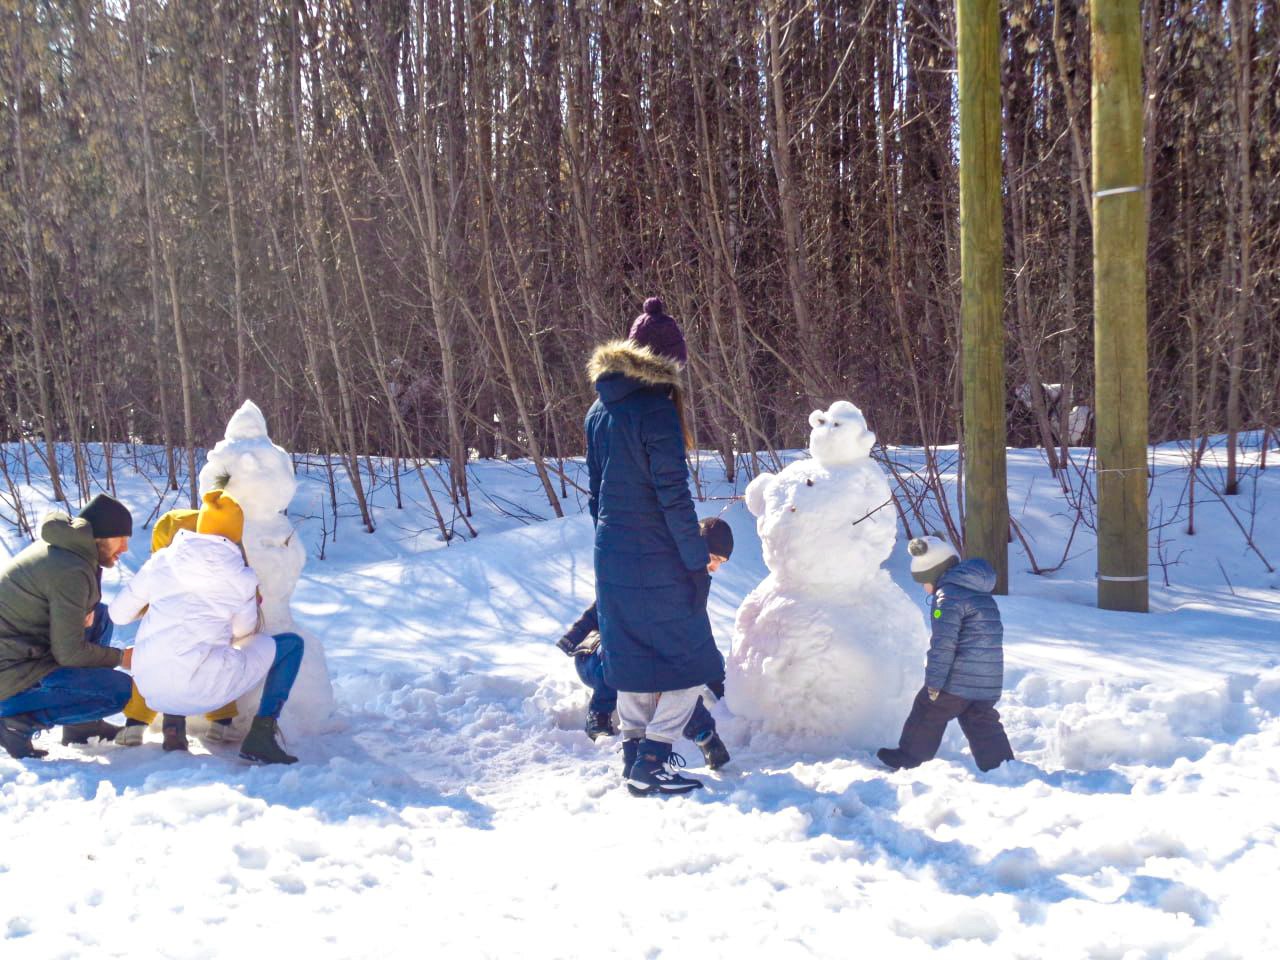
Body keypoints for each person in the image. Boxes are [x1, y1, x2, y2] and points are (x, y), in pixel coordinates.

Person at [585, 297, 724, 796]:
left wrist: (615, 542)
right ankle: (654, 758)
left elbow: (595, 494)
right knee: (688, 660)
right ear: (668, 362)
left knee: (632, 658)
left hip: (612, 552)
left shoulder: (599, 410)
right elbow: (674, 497)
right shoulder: (657, 410)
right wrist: (695, 560)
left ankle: (634, 758)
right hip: (658, 554)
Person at [107, 489, 304, 765]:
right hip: (201, 693)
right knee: (291, 646)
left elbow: (118, 615)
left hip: (151, 690)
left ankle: (159, 723)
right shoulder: (241, 577)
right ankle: (262, 733)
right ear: (236, 533)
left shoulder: (161, 561)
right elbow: (243, 633)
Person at [558, 517, 734, 771]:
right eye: (713, 558)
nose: (715, 567)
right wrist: (575, 634)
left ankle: (704, 734)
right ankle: (599, 715)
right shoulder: (653, 569)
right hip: (598, 655)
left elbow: (699, 639)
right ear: (696, 548)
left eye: (721, 563)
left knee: (672, 667)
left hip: (644, 655)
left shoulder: (692, 584)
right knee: (636, 659)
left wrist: (723, 688)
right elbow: (606, 603)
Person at [0, 494, 135, 759]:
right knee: (118, 690)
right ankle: (16, 723)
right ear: (101, 537)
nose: (125, 548)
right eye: (121, 538)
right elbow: (70, 653)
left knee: (102, 616)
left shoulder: (69, 552)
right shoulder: (70, 570)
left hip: (24, 653)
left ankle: (82, 726)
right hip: (10, 676)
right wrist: (121, 657)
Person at [877, 535, 1015, 773]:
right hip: (987, 680)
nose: (924, 588)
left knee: (927, 709)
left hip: (957, 680)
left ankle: (909, 756)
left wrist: (934, 683)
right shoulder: (980, 594)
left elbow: (943, 644)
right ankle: (1002, 767)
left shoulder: (947, 597)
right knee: (980, 720)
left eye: (924, 581)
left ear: (934, 574)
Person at [113, 508, 240, 748]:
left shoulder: (160, 570)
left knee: (147, 667)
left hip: (158, 653)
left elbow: (130, 607)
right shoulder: (220, 571)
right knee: (219, 667)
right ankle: (221, 724)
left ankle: (135, 726)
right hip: (204, 649)